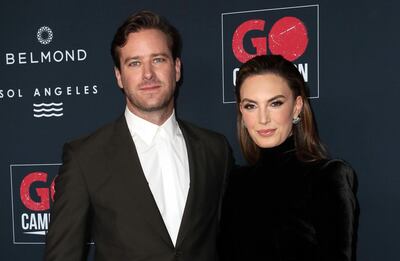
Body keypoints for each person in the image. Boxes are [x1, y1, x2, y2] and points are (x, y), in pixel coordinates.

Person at [44, 10, 233, 261]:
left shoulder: (215, 148)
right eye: (134, 63)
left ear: (176, 69)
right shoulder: (85, 158)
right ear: (119, 76)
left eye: (158, 60)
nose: (148, 74)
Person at [219, 55, 359, 261]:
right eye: (251, 106)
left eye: (275, 103)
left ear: (297, 106)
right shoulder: (236, 182)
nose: (263, 119)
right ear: (241, 110)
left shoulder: (327, 177)